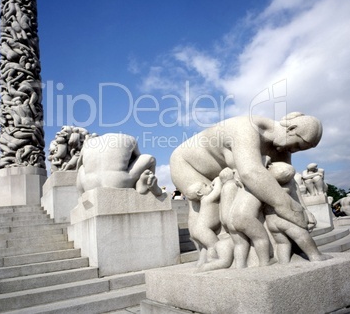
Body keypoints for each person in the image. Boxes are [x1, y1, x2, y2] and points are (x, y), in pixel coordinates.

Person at [170, 112, 322, 232]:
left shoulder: (281, 147)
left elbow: (288, 182)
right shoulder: (247, 127)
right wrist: (290, 209)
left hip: (223, 171)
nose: (293, 151)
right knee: (209, 214)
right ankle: (211, 255)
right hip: (187, 164)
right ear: (291, 129)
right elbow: (251, 172)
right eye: (297, 145)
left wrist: (304, 209)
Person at [264, 160, 331, 263]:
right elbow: (297, 199)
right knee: (301, 235)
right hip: (284, 219)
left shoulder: (264, 185)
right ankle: (315, 255)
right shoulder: (288, 186)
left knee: (282, 243)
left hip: (270, 220)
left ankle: (284, 263)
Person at [76, 133, 163, 196]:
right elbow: (138, 157)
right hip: (119, 182)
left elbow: (79, 164)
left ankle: (82, 197)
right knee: (150, 158)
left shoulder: (87, 144)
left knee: (81, 169)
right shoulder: (129, 139)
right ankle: (145, 185)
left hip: (89, 186)